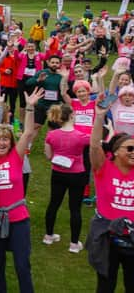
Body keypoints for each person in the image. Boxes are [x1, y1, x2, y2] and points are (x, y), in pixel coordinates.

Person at [0, 88, 43, 293]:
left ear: (10, 142)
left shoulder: (16, 156)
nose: (1, 143)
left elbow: (27, 132)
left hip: (18, 219)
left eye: (5, 139)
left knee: (22, 265)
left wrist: (31, 107)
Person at [87, 97, 134, 293]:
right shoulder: (103, 168)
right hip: (108, 237)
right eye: (130, 149)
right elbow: (94, 146)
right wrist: (99, 117)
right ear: (115, 152)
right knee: (106, 285)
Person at [43, 104, 91, 253]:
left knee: (53, 204)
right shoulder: (82, 136)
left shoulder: (51, 135)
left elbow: (48, 155)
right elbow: (96, 145)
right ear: (71, 116)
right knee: (75, 209)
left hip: (57, 173)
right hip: (77, 174)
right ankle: (74, 244)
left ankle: (48, 236)